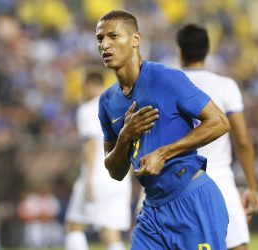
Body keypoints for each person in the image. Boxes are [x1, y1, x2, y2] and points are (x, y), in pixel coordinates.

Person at [96, 10, 231, 249]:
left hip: (191, 199)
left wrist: (164, 153)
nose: (105, 44)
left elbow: (219, 121)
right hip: (153, 210)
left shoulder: (165, 78)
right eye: (100, 39)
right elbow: (115, 171)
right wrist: (125, 137)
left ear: (136, 39)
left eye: (113, 36)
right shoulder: (107, 102)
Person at [176, 24, 258, 250]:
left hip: (179, 183)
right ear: (207, 50)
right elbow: (242, 140)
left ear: (179, 51)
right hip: (220, 179)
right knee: (237, 246)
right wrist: (252, 186)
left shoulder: (168, 85)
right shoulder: (225, 86)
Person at [64, 69, 131, 250]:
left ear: (91, 85)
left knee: (74, 225)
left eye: (84, 86)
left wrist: (88, 180)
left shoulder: (88, 108)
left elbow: (92, 144)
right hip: (120, 178)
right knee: (111, 231)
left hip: (98, 176)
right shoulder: (120, 107)